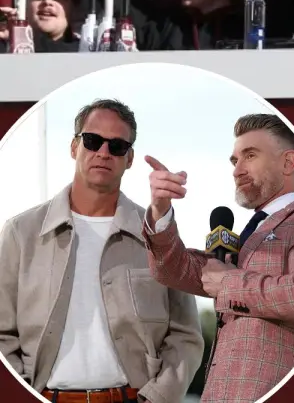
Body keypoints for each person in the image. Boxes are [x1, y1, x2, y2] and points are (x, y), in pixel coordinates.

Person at [0, 99, 203, 401]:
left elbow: (186, 335)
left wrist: (158, 398)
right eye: (93, 141)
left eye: (117, 146)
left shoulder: (157, 234)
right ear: (74, 147)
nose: (104, 153)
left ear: (129, 158)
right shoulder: (21, 233)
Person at [143, 113, 294, 403]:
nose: (237, 170)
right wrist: (160, 210)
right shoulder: (245, 234)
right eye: (234, 160)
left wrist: (227, 283)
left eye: (250, 155)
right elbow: (169, 269)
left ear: (288, 162)